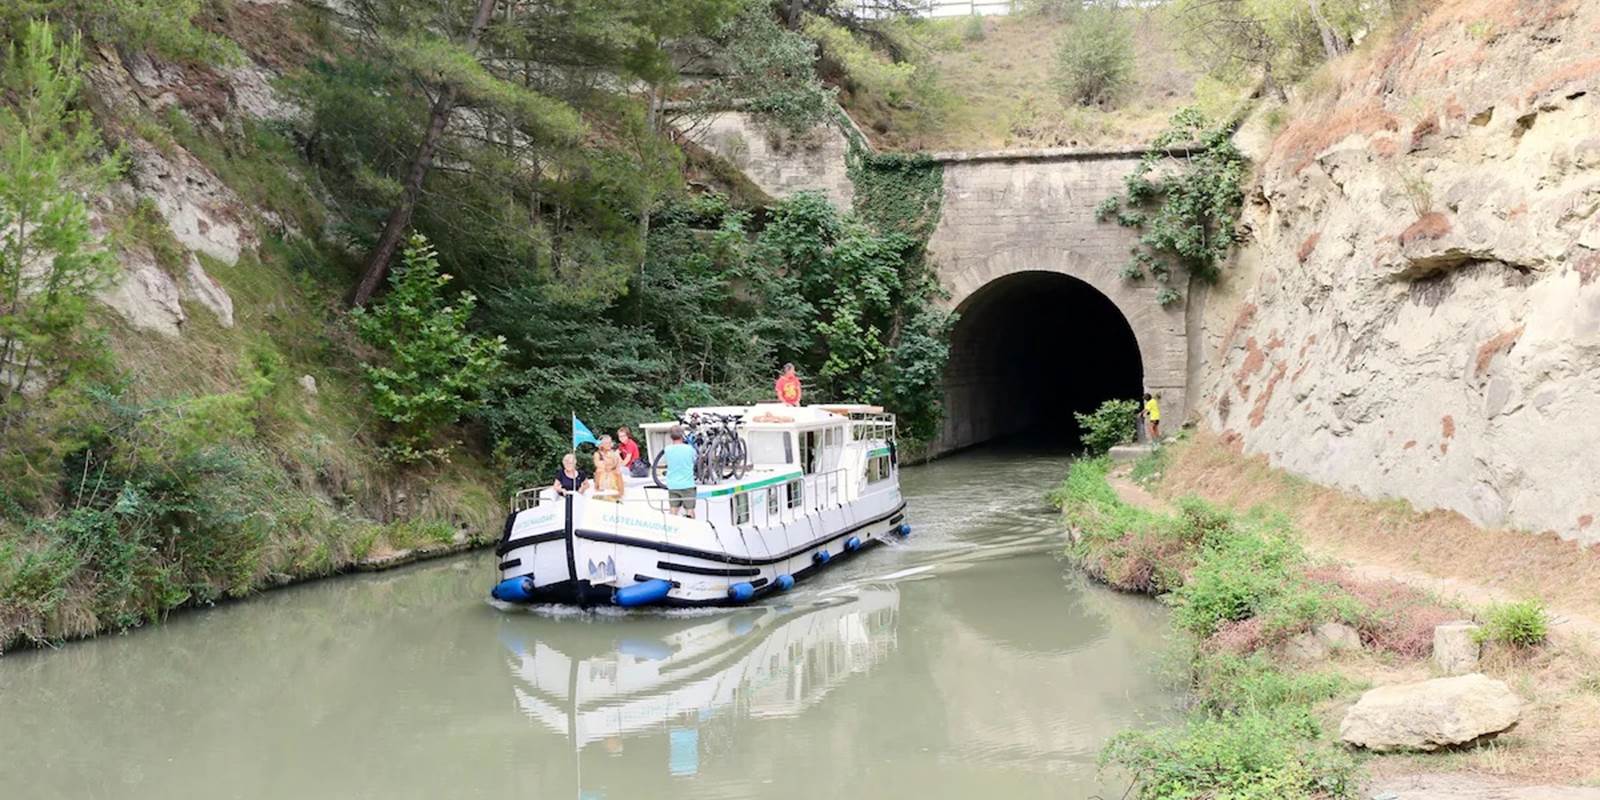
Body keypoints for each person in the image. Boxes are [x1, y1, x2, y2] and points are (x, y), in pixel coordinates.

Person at [663, 425, 697, 518]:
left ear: (671, 436)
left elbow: (666, 461)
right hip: (688, 484)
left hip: (673, 485)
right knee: (690, 511)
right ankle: (691, 528)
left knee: (673, 511)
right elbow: (695, 459)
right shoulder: (689, 449)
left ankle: (672, 530)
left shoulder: (667, 449)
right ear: (682, 435)